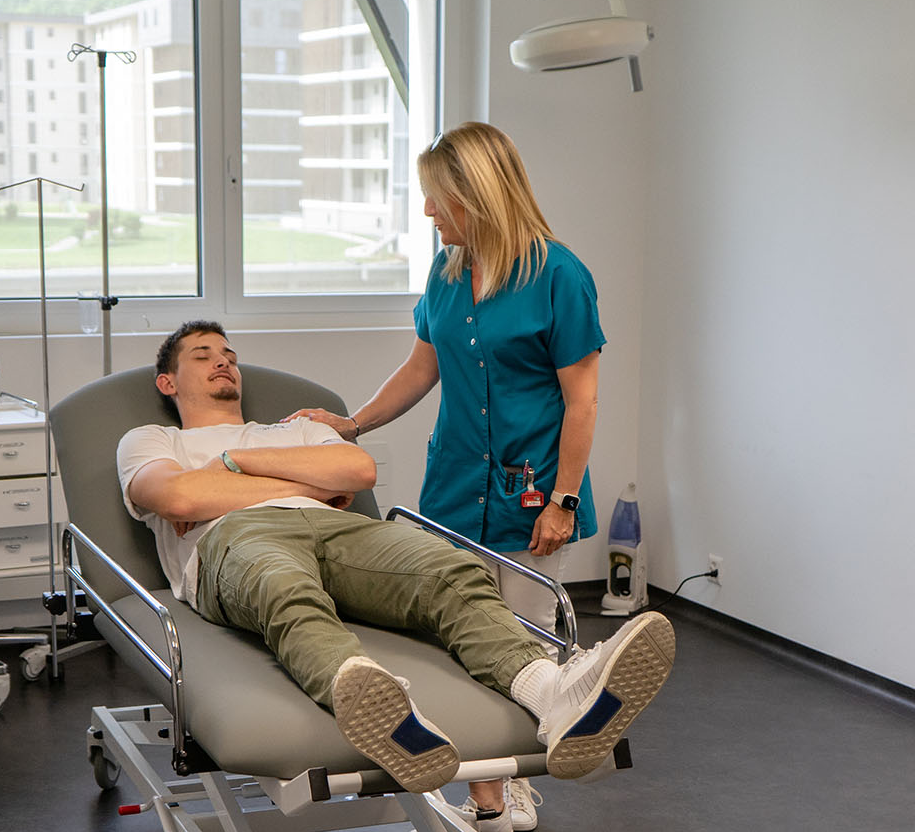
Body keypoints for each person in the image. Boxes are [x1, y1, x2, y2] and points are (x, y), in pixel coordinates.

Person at [116, 321, 673, 806]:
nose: (223, 363)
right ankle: (380, 707)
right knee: (282, 586)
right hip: (235, 539)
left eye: (229, 355)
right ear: (168, 382)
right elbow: (180, 501)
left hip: (342, 529)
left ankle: (551, 692)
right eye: (203, 355)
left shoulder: (293, 428)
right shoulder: (150, 439)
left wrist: (230, 465)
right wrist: (306, 480)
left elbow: (357, 471)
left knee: (447, 568)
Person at [287, 122, 607, 832]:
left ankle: (518, 787)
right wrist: (355, 423)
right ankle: (484, 795)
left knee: (523, 638)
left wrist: (562, 499)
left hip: (533, 489)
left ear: (477, 196)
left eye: (437, 199)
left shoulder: (559, 275)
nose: (428, 213)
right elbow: (422, 367)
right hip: (457, 484)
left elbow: (582, 400)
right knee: (458, 637)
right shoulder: (446, 273)